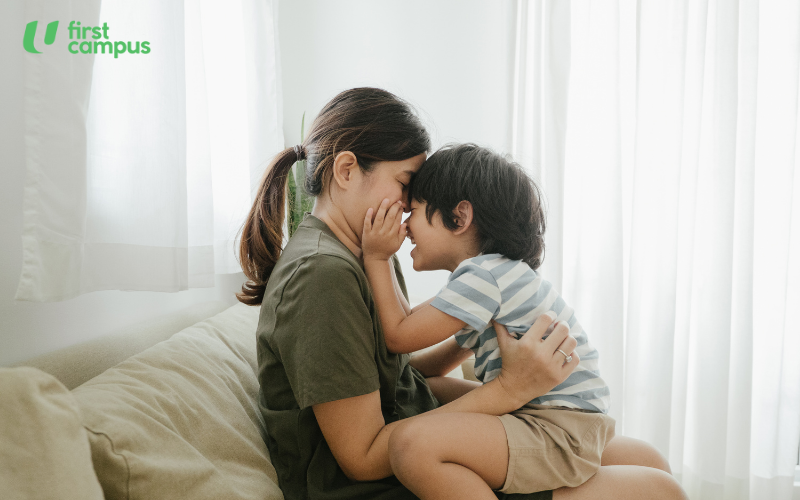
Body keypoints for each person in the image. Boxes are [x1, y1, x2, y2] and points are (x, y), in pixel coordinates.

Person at [238, 87, 687, 500]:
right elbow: (361, 457)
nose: (410, 209)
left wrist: (475, 335)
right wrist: (511, 389)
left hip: (422, 435)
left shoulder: (368, 251)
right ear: (347, 170)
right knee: (659, 489)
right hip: (385, 481)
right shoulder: (322, 275)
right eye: (405, 184)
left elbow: (392, 373)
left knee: (647, 459)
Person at [361, 143, 617, 498]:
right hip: (565, 418)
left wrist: (375, 257)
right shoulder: (494, 277)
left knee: (410, 445)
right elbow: (417, 353)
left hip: (557, 426)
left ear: (460, 217)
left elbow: (399, 336)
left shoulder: (482, 277)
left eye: (414, 211)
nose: (405, 228)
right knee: (427, 391)